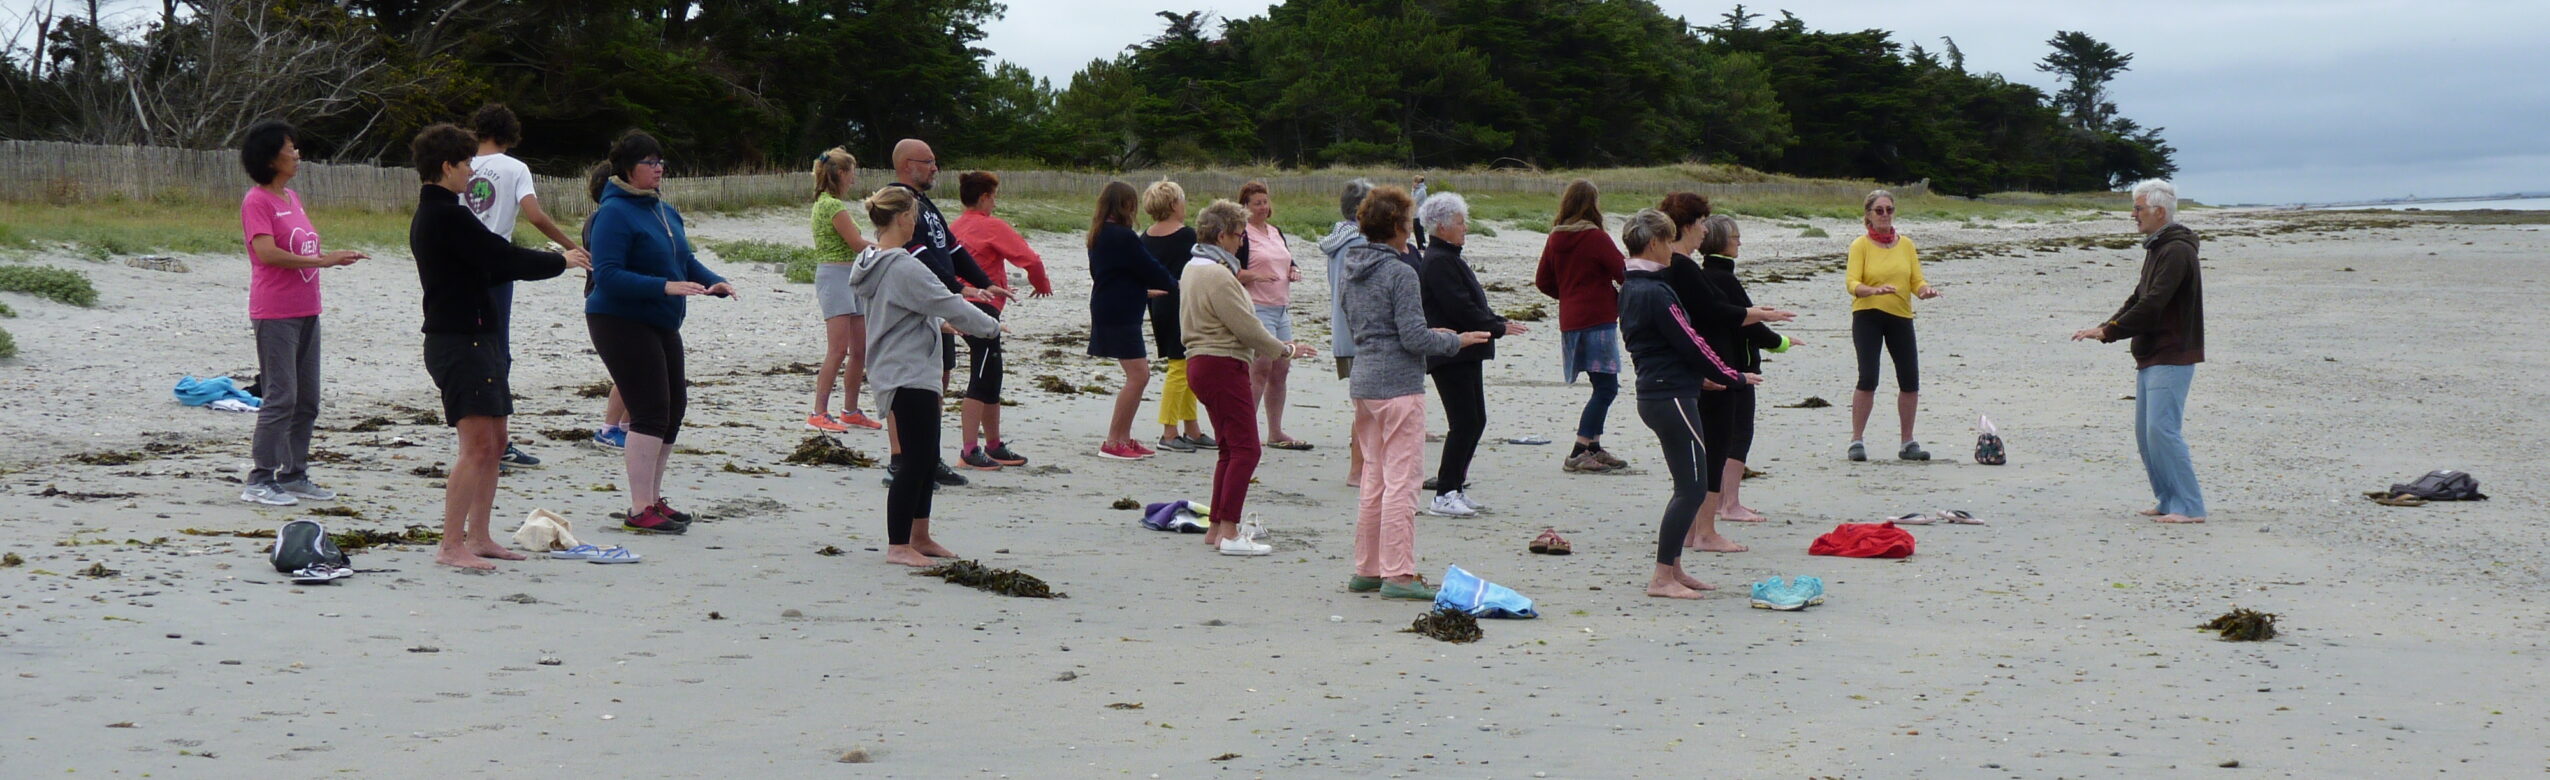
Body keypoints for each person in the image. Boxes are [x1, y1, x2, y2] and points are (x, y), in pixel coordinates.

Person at [405, 123, 589, 569]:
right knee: (475, 446)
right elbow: (501, 257)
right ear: (446, 166)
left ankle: (480, 536)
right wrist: (560, 262)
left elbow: (493, 262)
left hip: (480, 336)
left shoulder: (451, 213)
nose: (472, 171)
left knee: (496, 441)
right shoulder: (443, 215)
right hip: (457, 340)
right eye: (466, 163)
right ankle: (451, 545)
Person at [1340, 185, 1489, 600]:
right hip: (1398, 386)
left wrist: (1431, 333)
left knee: (1374, 478)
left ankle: (1368, 569)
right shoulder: (1401, 272)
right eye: (1408, 221)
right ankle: (1398, 574)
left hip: (1365, 382)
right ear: (1398, 226)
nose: (1412, 228)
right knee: (1402, 482)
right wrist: (1456, 340)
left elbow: (1371, 327)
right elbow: (1412, 338)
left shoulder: (1352, 267)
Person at [585, 130, 735, 534]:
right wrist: (663, 286)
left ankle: (653, 498)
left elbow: (684, 261)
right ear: (626, 168)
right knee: (649, 409)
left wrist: (714, 281)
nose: (658, 168)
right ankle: (639, 508)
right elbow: (607, 275)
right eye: (649, 162)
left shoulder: (664, 211)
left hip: (661, 320)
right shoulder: (612, 213)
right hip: (618, 319)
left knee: (673, 408)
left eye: (660, 161)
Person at [849, 186, 1003, 565]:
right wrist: (990, 327)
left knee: (926, 455)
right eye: (914, 217)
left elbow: (902, 310)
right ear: (903, 218)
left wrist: (941, 325)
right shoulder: (902, 265)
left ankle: (920, 536)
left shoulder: (872, 259)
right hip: (908, 371)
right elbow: (946, 301)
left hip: (900, 366)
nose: (916, 223)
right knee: (915, 460)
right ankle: (898, 545)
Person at [1616, 209, 1760, 599]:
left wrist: (1703, 378)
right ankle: (1662, 577)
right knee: (1692, 489)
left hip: (1663, 390)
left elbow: (1658, 345)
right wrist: (1733, 376)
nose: (1673, 250)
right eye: (1668, 242)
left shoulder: (1633, 285)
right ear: (1653, 244)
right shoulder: (1654, 291)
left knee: (1688, 484)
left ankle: (1674, 569)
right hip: (1670, 396)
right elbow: (1691, 342)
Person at [235, 119, 366, 507]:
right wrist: (324, 261)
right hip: (275, 313)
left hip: (308, 310)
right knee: (281, 397)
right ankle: (260, 479)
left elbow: (301, 249)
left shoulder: (291, 198)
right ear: (270, 157)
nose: (297, 154)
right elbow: (266, 252)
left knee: (307, 399)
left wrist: (330, 258)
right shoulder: (257, 201)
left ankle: (294, 474)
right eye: (290, 148)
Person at [1180, 198, 1317, 554]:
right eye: (1238, 235)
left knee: (1229, 447)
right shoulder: (1217, 274)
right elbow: (1247, 327)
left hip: (1201, 363)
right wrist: (1285, 349)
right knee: (1246, 449)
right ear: (1221, 235)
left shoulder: (1194, 266)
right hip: (1221, 363)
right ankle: (1229, 531)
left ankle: (1216, 527)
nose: (1241, 241)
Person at [2073, 179, 2207, 524]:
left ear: (2159, 212)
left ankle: (2190, 506)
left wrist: (2110, 332)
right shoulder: (2158, 247)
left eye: (2138, 208)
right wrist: (2105, 327)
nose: (2133, 215)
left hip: (2172, 352)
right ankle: (2168, 499)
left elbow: (2154, 304)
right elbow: (2138, 298)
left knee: (2163, 431)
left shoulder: (2177, 250)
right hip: (2151, 352)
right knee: (2147, 434)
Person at [462, 104, 580, 470]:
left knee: (468, 347)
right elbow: (535, 215)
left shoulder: (460, 164)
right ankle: (496, 442)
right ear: (510, 133)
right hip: (497, 263)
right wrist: (570, 245)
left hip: (459, 263)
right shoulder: (515, 168)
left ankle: (475, 438)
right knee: (498, 352)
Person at [884, 138, 1007, 488]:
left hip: (937, 302)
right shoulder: (898, 201)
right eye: (928, 162)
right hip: (916, 303)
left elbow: (952, 248)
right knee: (906, 384)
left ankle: (927, 455)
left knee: (938, 378)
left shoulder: (926, 203)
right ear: (907, 165)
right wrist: (957, 287)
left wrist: (983, 282)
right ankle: (901, 458)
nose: (935, 168)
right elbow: (915, 251)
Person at [1415, 192, 1525, 517]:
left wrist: (1497, 322)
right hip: (1450, 351)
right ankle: (1444, 494)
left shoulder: (1449, 257)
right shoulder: (1438, 260)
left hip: (1467, 349)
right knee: (1463, 422)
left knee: (1475, 420)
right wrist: (1497, 327)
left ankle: (1455, 487)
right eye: (1460, 222)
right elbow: (1459, 306)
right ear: (1442, 227)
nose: (1465, 228)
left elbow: (1471, 302)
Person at [1691, 214, 1794, 523]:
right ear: (1721, 241)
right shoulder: (1724, 278)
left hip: (1712, 364)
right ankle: (1729, 503)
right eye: (1735, 237)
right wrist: (1780, 342)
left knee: (1718, 434)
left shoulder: (1702, 276)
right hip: (1734, 366)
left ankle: (1720, 502)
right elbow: (1745, 321)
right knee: (1738, 434)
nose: (1739, 242)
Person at [950, 170, 1052, 470]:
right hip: (979, 308)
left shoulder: (955, 226)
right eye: (994, 197)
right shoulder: (991, 226)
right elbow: (1031, 259)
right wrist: (1041, 284)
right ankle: (969, 450)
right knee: (982, 377)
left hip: (957, 305)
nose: (995, 202)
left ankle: (993, 445)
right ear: (984, 197)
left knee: (992, 375)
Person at [1534, 179, 1629, 474]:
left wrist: (1568, 295)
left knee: (1601, 385)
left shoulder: (1556, 238)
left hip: (1571, 321)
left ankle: (1594, 447)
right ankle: (1579, 448)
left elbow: (1542, 281)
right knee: (1607, 387)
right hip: (1597, 320)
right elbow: (1623, 271)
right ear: (1593, 205)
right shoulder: (1595, 237)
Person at [1844, 189, 1942, 462]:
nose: (1885, 215)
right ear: (1868, 215)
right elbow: (1852, 283)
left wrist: (1925, 291)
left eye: (1889, 210)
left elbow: (1916, 281)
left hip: (1901, 316)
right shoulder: (1860, 246)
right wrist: (1872, 290)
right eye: (1879, 210)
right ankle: (1856, 440)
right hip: (1867, 316)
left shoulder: (1906, 245)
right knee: (1868, 378)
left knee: (1910, 379)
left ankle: (1907, 442)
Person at [1086, 180, 1178, 460]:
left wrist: (1139, 290)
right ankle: (1113, 441)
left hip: (1110, 304)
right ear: (1126, 205)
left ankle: (1123, 437)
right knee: (1139, 375)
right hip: (1119, 310)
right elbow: (1148, 266)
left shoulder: (1098, 233)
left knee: (1138, 375)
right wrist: (1176, 285)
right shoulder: (1123, 236)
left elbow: (1110, 273)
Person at [805, 147, 882, 434]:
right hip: (834, 277)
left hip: (852, 277)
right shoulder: (830, 206)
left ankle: (850, 410)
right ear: (840, 173)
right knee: (838, 349)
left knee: (860, 349)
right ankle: (818, 412)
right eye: (851, 173)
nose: (854, 179)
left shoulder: (830, 204)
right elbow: (857, 243)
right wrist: (890, 249)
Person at [1139, 180, 1215, 453]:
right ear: (1173, 205)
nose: (1185, 205)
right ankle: (1169, 431)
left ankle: (1191, 428)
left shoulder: (1145, 237)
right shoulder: (1187, 236)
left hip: (1158, 305)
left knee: (1185, 363)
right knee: (1179, 367)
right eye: (1182, 200)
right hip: (1182, 305)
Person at [1235, 182, 1310, 451]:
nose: (1263, 208)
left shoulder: (1276, 232)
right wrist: (1256, 276)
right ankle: (1246, 432)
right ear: (1245, 207)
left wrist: (1293, 269)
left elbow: (1285, 259)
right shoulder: (1242, 235)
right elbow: (1230, 271)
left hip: (1281, 308)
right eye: (1257, 203)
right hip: (1257, 307)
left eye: (1265, 202)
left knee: (1281, 369)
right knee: (1260, 368)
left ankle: (1275, 431)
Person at [1318, 179, 1375, 483]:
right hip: (1359, 335)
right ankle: (1358, 469)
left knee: (1366, 404)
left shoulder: (1340, 239)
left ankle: (1364, 468)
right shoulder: (1356, 244)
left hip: (1347, 334)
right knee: (1367, 406)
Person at [574, 163, 633, 451]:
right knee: (630, 369)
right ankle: (611, 428)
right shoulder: (606, 218)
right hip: (611, 303)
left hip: (621, 300)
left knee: (637, 370)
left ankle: (627, 426)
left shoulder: (605, 217)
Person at [1409, 174, 1430, 250]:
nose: (1413, 183)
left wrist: (1412, 190)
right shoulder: (1417, 190)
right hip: (1416, 214)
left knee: (1420, 231)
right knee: (1416, 231)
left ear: (1417, 182)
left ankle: (1422, 247)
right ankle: (1420, 247)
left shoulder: (1421, 191)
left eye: (1414, 182)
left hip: (1420, 214)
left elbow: (1414, 200)